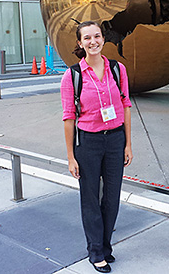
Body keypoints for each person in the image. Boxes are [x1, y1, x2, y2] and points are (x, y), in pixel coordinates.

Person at [60, 21, 133, 273]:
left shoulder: (117, 69)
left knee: (111, 198)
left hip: (115, 141)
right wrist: (71, 156)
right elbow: (69, 118)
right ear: (80, 43)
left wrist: (128, 144)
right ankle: (95, 252)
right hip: (88, 143)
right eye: (87, 38)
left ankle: (105, 247)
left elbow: (125, 107)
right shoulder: (73, 76)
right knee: (90, 198)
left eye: (97, 36)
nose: (93, 41)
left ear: (104, 39)